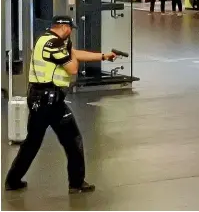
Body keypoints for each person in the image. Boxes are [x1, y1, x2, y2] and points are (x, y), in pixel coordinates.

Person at [4, 16, 117, 194]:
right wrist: (71, 52)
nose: (71, 32)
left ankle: (12, 180)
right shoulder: (56, 44)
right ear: (64, 27)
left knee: (32, 142)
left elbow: (74, 54)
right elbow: (72, 68)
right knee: (73, 141)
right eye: (70, 28)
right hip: (51, 101)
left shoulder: (45, 40)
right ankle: (76, 183)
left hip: (39, 99)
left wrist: (103, 56)